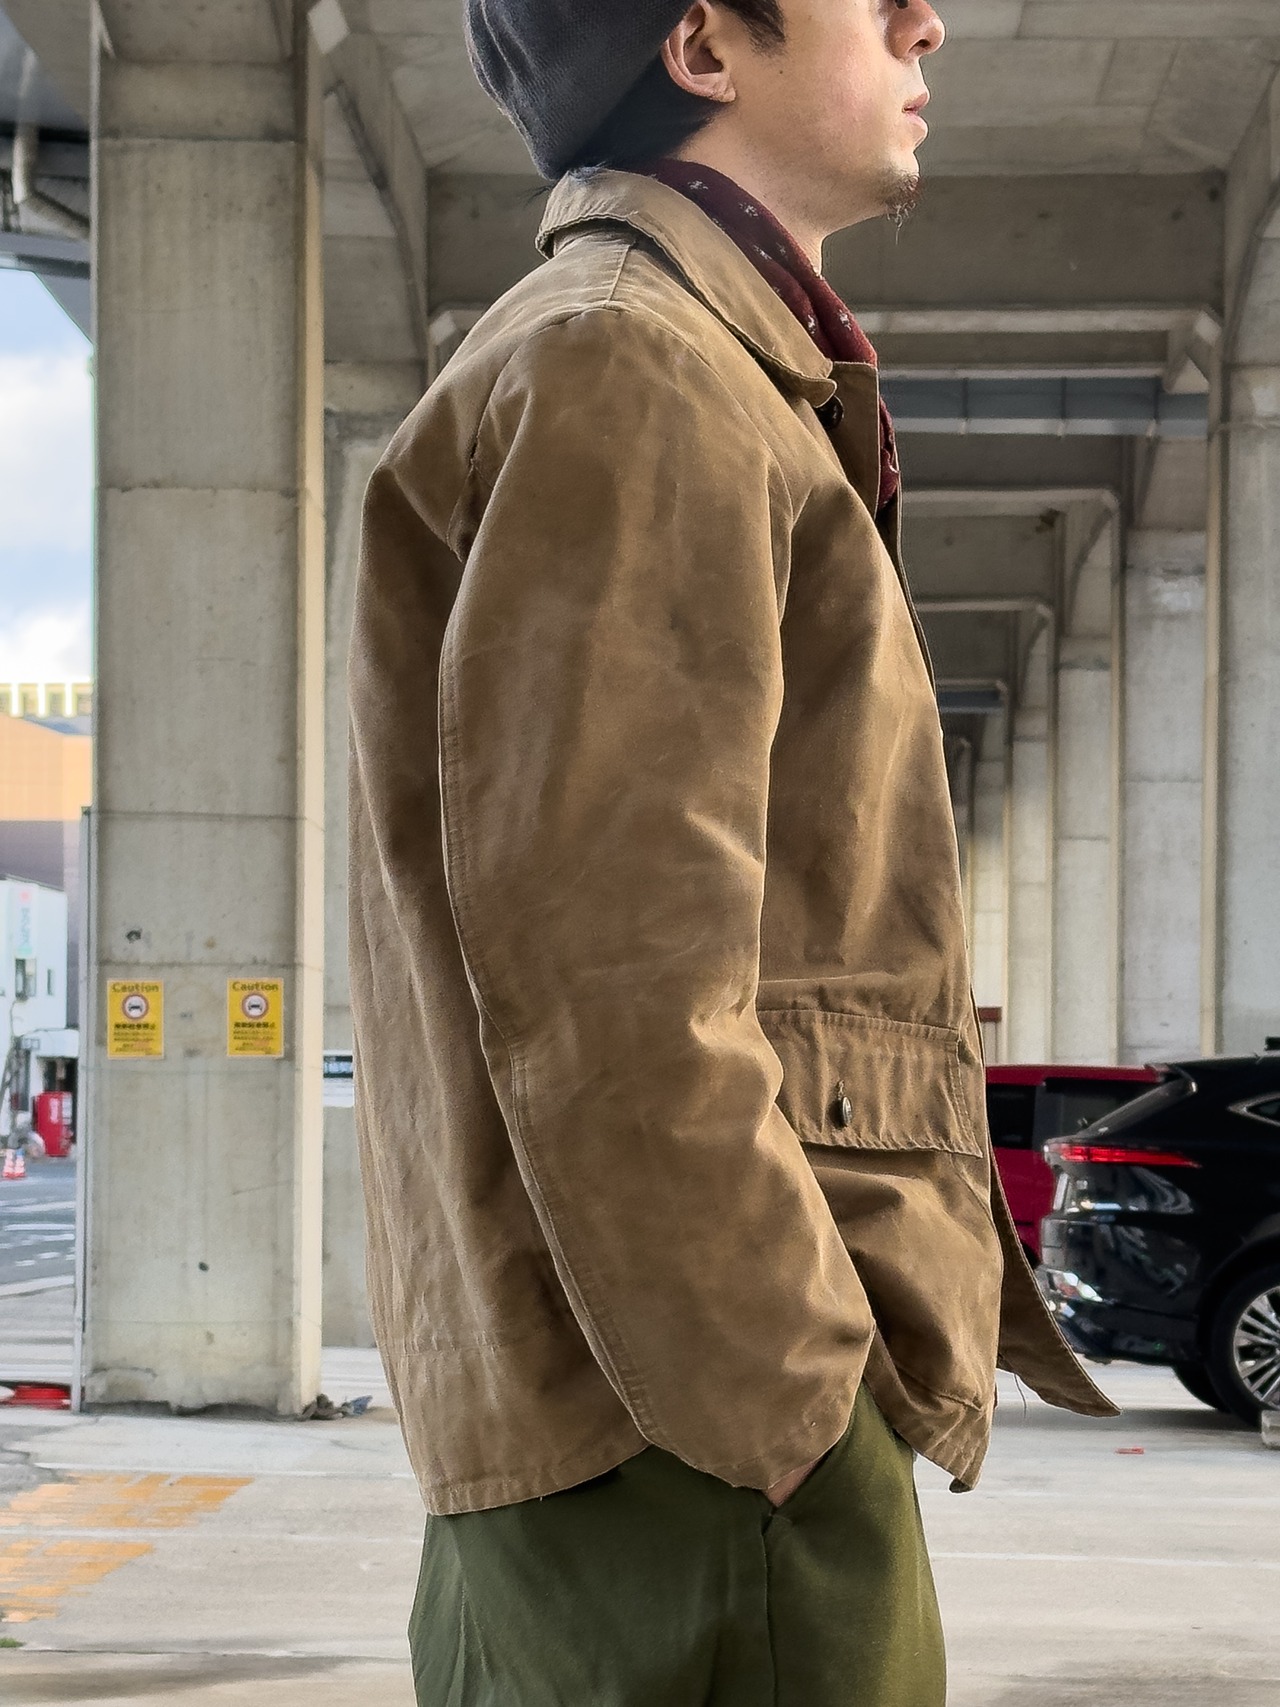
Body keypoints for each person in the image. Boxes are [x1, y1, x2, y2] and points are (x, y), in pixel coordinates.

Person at [348, 3, 1118, 1701]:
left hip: (651, 1429)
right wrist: (789, 1409)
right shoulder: (637, 367)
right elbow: (610, 981)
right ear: (703, 46)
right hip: (691, 1447)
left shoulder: (679, 364)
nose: (925, 20)